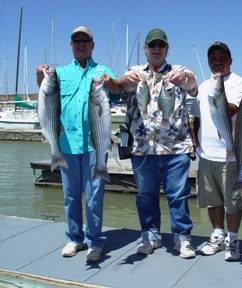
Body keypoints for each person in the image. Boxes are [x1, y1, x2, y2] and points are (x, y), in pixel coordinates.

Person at [36, 26, 121, 263]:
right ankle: (75, 238)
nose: (81, 43)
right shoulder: (60, 73)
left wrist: (110, 82)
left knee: (94, 196)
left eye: (86, 40)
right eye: (76, 40)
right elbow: (44, 89)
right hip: (66, 146)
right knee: (71, 196)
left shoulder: (103, 70)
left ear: (93, 45)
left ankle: (95, 241)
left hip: (95, 146)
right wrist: (39, 74)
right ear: (71, 45)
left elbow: (116, 92)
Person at [119, 28, 198, 259]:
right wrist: (126, 82)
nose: (156, 49)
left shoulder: (179, 71)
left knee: (178, 194)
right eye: (152, 45)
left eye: (160, 45)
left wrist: (185, 80)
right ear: (145, 49)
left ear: (167, 49)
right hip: (143, 147)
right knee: (145, 195)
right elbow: (121, 87)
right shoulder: (134, 72)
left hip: (177, 147)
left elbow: (193, 85)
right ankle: (150, 235)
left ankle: (182, 238)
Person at [189, 42, 242, 261]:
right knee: (212, 200)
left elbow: (232, 109)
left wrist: (219, 91)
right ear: (208, 62)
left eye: (222, 57)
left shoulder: (239, 83)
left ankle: (233, 241)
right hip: (207, 155)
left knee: (233, 201)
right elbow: (197, 117)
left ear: (230, 60)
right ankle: (217, 236)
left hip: (230, 155)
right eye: (213, 58)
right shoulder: (204, 86)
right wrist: (196, 141)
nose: (217, 61)